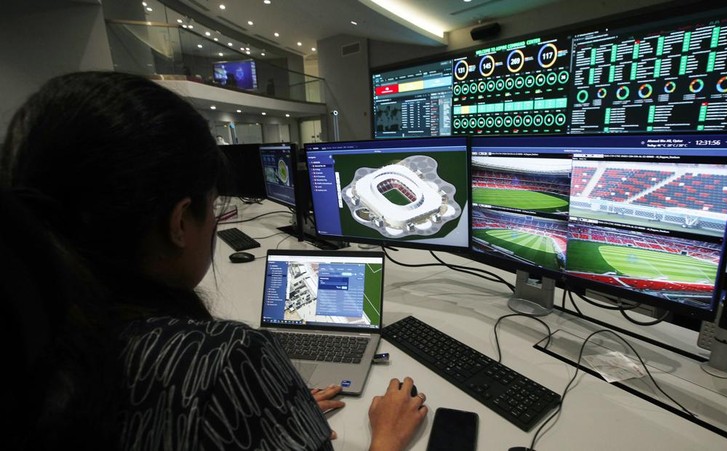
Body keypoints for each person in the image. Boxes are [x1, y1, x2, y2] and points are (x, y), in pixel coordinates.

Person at [1, 71, 428, 450]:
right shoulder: (224, 363)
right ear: (180, 221)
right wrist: (387, 437)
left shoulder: (33, 340)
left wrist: (266, 412)